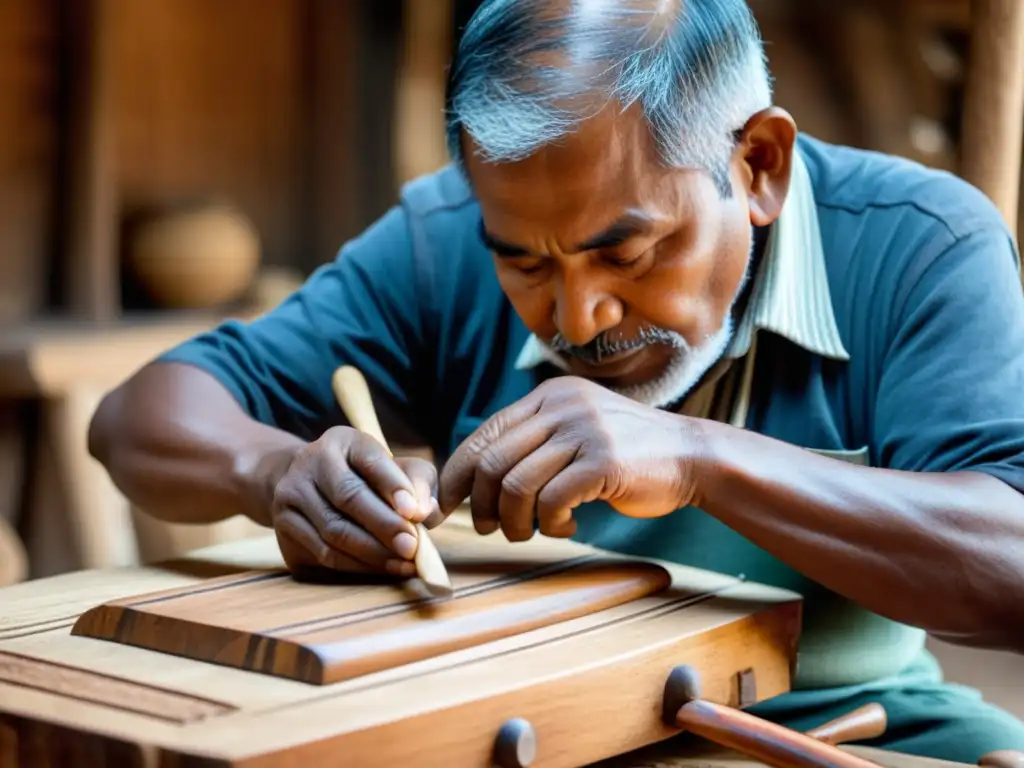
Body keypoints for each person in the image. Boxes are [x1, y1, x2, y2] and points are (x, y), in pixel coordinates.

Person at [88, 0, 1024, 761]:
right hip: (517, 735)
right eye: (525, 265)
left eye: (629, 251)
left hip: (839, 724)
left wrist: (700, 459)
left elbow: (1011, 570)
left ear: (758, 165)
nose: (578, 319)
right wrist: (275, 474)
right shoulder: (443, 241)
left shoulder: (916, 245)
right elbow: (137, 419)